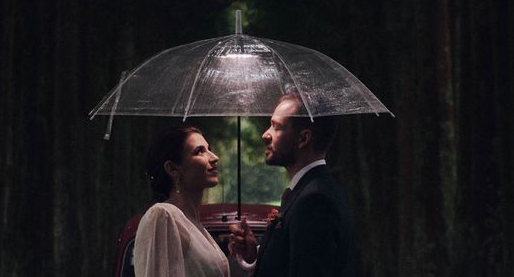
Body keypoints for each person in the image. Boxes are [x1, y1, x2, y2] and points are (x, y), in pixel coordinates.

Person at [228, 94, 355, 277]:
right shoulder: (306, 191)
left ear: (303, 138)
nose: (265, 135)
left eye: (276, 127)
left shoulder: (314, 201)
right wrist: (255, 255)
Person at [134, 124, 230, 277]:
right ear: (172, 168)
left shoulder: (195, 224)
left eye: (209, 148)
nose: (214, 157)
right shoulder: (162, 216)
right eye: (200, 151)